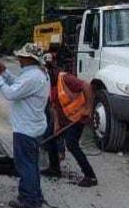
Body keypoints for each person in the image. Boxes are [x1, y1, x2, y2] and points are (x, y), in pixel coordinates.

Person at [0, 43, 51, 208]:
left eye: (21, 56)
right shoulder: (38, 74)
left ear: (29, 59)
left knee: (25, 165)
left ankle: (29, 199)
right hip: (34, 126)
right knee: (32, 163)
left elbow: (11, 94)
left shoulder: (32, 77)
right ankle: (35, 195)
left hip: (26, 128)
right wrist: (5, 74)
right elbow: (18, 85)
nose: (19, 59)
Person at [42, 54, 98, 187]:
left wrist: (88, 109)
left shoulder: (65, 78)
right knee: (49, 138)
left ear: (49, 70)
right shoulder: (49, 84)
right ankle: (54, 169)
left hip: (77, 118)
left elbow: (87, 87)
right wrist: (56, 125)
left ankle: (90, 176)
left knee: (72, 144)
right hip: (63, 120)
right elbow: (54, 106)